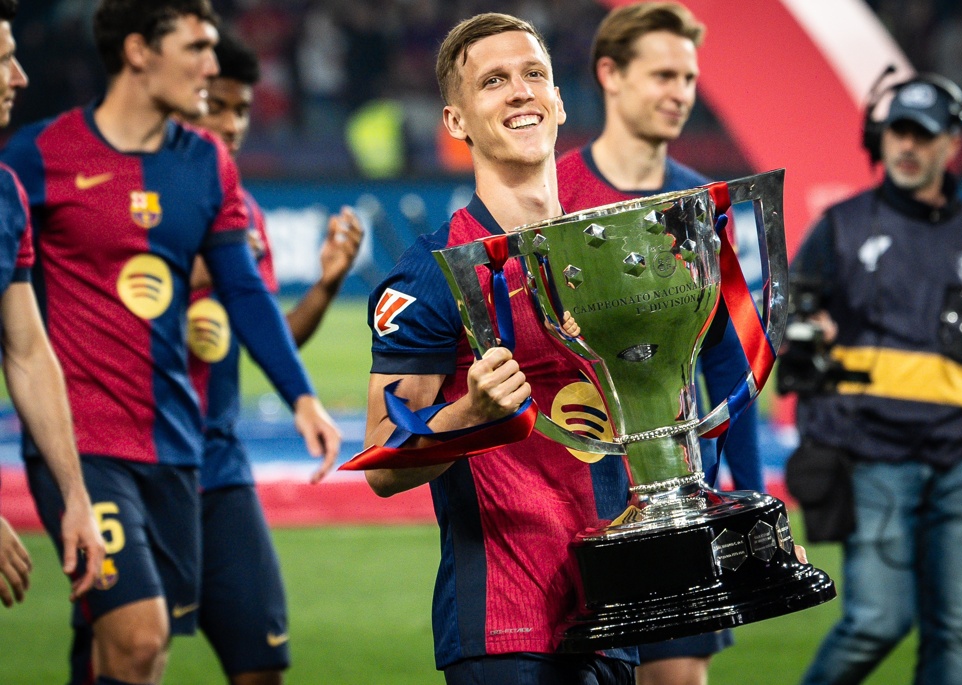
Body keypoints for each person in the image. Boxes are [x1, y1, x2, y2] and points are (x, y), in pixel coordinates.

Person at [0, 2, 341, 684]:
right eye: (196, 47)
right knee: (138, 634)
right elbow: (22, 337)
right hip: (83, 443)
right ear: (138, 52)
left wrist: (301, 395)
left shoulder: (206, 163)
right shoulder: (35, 159)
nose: (212, 66)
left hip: (177, 446)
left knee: (141, 655)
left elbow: (243, 288)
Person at [363, 12, 636, 684]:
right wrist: (471, 413)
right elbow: (381, 464)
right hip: (508, 628)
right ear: (456, 122)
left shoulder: (607, 257)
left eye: (533, 74)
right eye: (493, 81)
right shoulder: (433, 272)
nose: (519, 91)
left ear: (559, 100)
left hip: (614, 617)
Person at [792, 74, 962, 685]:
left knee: (955, 633)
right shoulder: (841, 226)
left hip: (960, 462)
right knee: (876, 621)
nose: (908, 146)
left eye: (922, 134)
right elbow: (785, 318)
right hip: (873, 457)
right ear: (882, 137)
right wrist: (805, 331)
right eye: (899, 132)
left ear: (953, 143)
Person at [557, 5, 763, 683]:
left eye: (689, 78)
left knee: (679, 676)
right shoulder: (555, 199)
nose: (680, 93)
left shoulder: (698, 202)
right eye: (663, 75)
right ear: (610, 74)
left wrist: (749, 500)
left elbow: (729, 361)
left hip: (681, 491)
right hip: (582, 496)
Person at [185, 32, 362, 685]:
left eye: (240, 110)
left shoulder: (244, 215)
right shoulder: (130, 204)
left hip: (217, 461)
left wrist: (327, 285)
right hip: (135, 460)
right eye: (216, 106)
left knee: (261, 664)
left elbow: (270, 338)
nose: (232, 125)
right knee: (127, 653)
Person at [0, 0, 105, 611]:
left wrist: (75, 496)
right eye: (4, 61)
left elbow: (28, 353)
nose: (20, 78)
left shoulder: (6, 195)